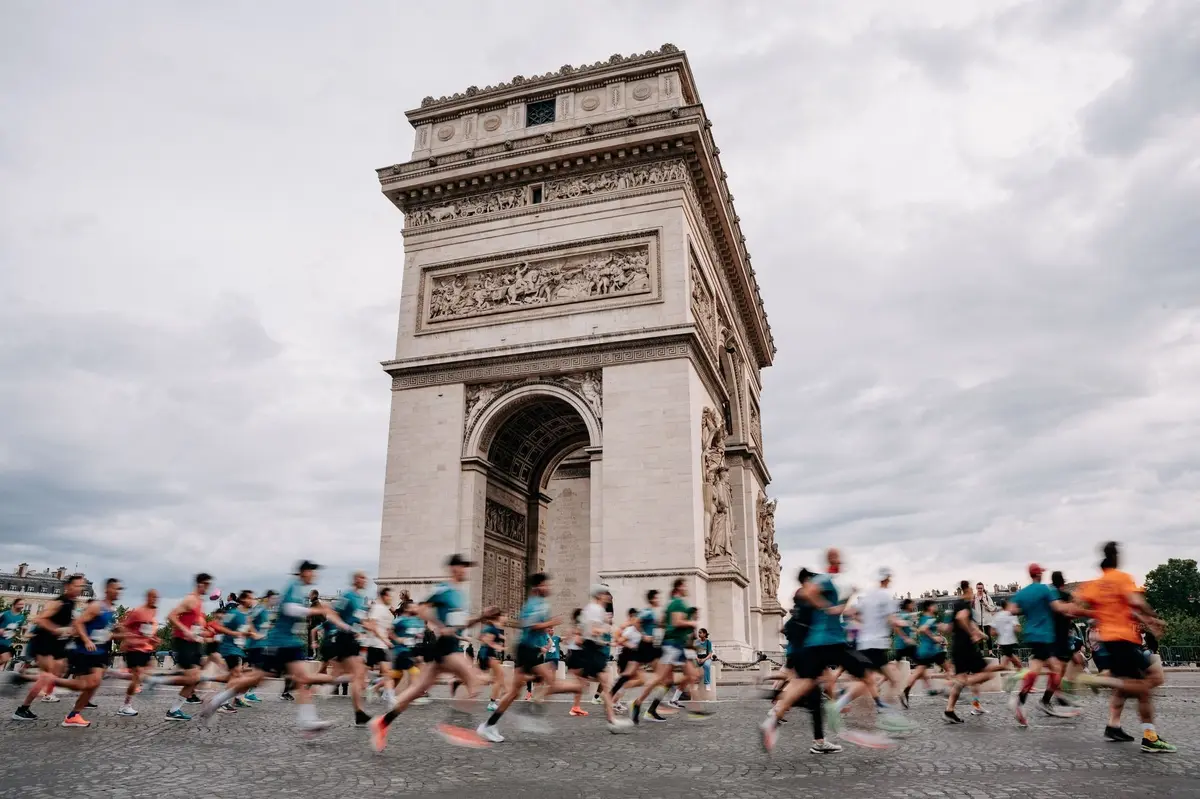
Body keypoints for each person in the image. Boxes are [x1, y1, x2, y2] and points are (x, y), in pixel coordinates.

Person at [196, 561, 354, 733]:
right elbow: (289, 609)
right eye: (312, 572)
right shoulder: (293, 586)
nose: (314, 576)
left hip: (290, 643)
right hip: (279, 643)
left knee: (299, 679)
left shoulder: (298, 589)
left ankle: (308, 720)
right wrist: (316, 611)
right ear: (304, 572)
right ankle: (215, 701)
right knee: (258, 679)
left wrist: (346, 627)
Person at [371, 554, 499, 750]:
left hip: (449, 646)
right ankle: (455, 726)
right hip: (446, 647)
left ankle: (382, 722)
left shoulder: (460, 595)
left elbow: (459, 624)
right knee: (474, 682)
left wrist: (481, 617)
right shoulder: (444, 589)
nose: (466, 571)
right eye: (463, 567)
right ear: (454, 568)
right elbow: (422, 610)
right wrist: (440, 626)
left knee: (414, 691)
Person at [1074, 542, 1175, 752]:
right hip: (1125, 639)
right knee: (1154, 680)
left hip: (1110, 640)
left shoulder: (1096, 584)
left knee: (1141, 689)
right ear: (1116, 558)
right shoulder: (1121, 578)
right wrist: (1154, 618)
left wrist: (1097, 613)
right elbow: (1134, 602)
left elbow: (1076, 607)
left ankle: (1145, 735)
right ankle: (1099, 679)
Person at [477, 572, 583, 743]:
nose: (548, 588)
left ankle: (490, 725)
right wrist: (551, 623)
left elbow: (533, 628)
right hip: (526, 650)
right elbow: (531, 626)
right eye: (545, 585)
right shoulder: (535, 604)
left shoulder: (539, 604)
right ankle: (530, 716)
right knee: (550, 683)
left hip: (529, 649)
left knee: (514, 692)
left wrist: (543, 642)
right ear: (537, 587)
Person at [34, 578, 123, 727]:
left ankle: (74, 715)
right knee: (84, 684)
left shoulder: (111, 610)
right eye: (116, 589)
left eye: (120, 589)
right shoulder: (96, 606)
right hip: (85, 650)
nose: (118, 592)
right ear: (108, 590)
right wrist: (87, 640)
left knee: (94, 684)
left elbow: (106, 632)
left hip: (99, 651)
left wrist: (124, 634)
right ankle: (52, 681)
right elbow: (78, 622)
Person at [1007, 564, 1079, 725]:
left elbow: (1011, 610)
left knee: (1036, 669)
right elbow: (1058, 607)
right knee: (1056, 669)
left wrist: (1026, 609)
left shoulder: (1023, 592)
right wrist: (1073, 606)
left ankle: (1021, 702)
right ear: (1039, 574)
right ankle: (1032, 701)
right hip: (1044, 635)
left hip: (1030, 634)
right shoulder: (1045, 590)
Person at [13, 574, 86, 721]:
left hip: (57, 645)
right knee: (47, 676)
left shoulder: (72, 603)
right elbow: (40, 619)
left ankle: (24, 678)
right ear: (67, 586)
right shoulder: (58, 603)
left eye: (81, 586)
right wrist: (56, 629)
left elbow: (69, 622)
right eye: (77, 586)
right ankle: (22, 709)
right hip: (44, 642)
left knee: (59, 671)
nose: (79, 589)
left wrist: (72, 629)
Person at [942, 580, 1005, 724]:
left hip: (958, 646)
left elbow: (951, 626)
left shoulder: (957, 605)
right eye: (972, 591)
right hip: (966, 647)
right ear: (968, 591)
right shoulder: (964, 605)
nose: (973, 595)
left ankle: (949, 710)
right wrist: (972, 633)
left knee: (964, 678)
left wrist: (979, 632)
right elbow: (962, 618)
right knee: (986, 674)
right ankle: (955, 683)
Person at [117, 589, 160, 716]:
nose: (155, 599)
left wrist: (153, 638)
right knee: (136, 677)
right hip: (134, 649)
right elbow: (124, 626)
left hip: (145, 648)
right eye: (153, 597)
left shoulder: (153, 611)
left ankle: (113, 674)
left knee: (143, 674)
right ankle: (125, 706)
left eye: (156, 597)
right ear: (147, 597)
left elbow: (146, 631)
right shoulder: (138, 612)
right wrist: (130, 639)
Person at [990, 600, 1022, 674]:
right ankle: (985, 670)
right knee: (1010, 664)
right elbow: (1018, 629)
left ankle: (1024, 676)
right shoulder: (1011, 615)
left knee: (1013, 663)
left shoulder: (996, 616)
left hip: (1002, 642)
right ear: (1007, 606)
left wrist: (1001, 631)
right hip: (1010, 641)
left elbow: (992, 632)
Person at [0, 598, 27, 673]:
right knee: (5, 658)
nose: (22, 606)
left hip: (7, 642)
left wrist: (24, 629)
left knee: (6, 658)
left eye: (23, 604)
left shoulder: (21, 617)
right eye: (20, 604)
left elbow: (21, 628)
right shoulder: (5, 614)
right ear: (14, 605)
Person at [696, 628, 714, 693]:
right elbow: (694, 652)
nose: (699, 634)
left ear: (704, 634)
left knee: (706, 665)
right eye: (698, 632)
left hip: (706, 658)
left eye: (700, 632)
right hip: (698, 659)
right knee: (691, 665)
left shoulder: (708, 642)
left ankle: (707, 683)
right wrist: (697, 659)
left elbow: (710, 653)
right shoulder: (696, 642)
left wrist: (704, 659)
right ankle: (695, 682)